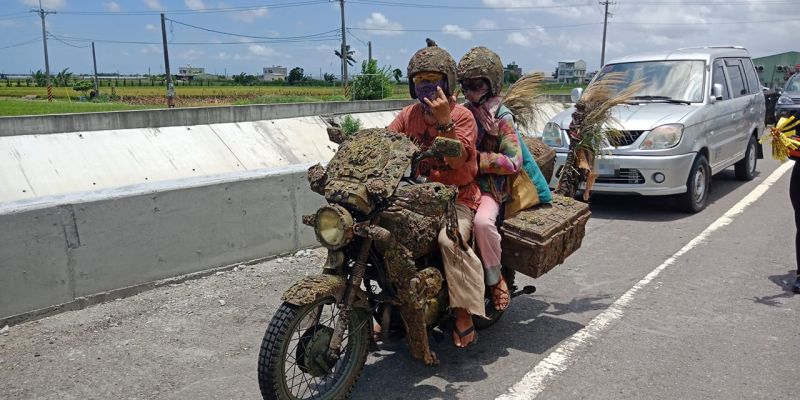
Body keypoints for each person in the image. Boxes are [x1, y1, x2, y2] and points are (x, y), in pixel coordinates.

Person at [388, 39, 486, 348]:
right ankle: (385, 307)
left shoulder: (462, 117)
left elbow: (459, 159)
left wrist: (444, 121)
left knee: (448, 239)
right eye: (420, 81)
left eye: (433, 80)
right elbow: (386, 142)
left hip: (456, 198)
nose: (426, 87)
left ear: (447, 82)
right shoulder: (408, 116)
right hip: (417, 197)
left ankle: (463, 313)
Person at [456, 47, 523, 311]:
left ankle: (496, 280)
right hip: (457, 183)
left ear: (491, 84)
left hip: (487, 188)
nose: (471, 92)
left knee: (483, 224)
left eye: (477, 85)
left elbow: (514, 161)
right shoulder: (462, 113)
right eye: (466, 86)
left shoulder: (502, 116)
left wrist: (478, 160)